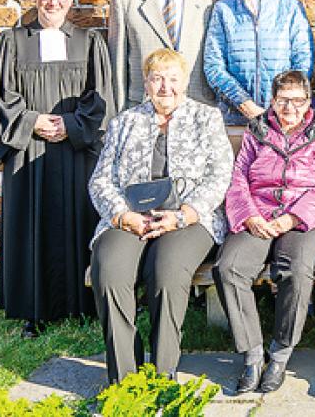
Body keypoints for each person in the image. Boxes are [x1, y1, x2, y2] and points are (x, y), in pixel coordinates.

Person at [0, 0, 114, 338]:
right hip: (28, 152)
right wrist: (31, 121)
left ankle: (82, 303)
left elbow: (100, 98)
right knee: (30, 224)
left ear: (70, 0)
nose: (53, 1)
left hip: (75, 151)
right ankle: (33, 311)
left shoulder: (89, 43)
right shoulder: (11, 41)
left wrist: (69, 126)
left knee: (80, 220)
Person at [89, 49, 233, 383]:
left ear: (185, 82)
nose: (165, 86)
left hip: (188, 218)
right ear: (146, 83)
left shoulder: (206, 118)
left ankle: (162, 373)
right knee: (109, 271)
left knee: (167, 273)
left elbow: (219, 175)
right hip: (130, 217)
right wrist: (123, 216)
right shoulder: (124, 122)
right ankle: (125, 379)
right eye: (157, 78)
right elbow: (100, 179)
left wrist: (182, 216)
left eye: (172, 79)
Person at [214, 71, 315, 395]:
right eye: (283, 100)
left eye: (298, 100)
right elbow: (239, 178)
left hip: (302, 219)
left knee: (296, 272)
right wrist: (250, 216)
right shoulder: (256, 132)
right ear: (272, 101)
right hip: (258, 213)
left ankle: (281, 354)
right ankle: (253, 355)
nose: (291, 107)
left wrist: (293, 218)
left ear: (308, 102)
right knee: (228, 269)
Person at [204, 0, 315, 125]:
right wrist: (245, 105)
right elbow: (214, 66)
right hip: (235, 118)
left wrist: (283, 104)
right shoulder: (224, 9)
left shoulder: (290, 8)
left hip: (283, 120)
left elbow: (303, 61)